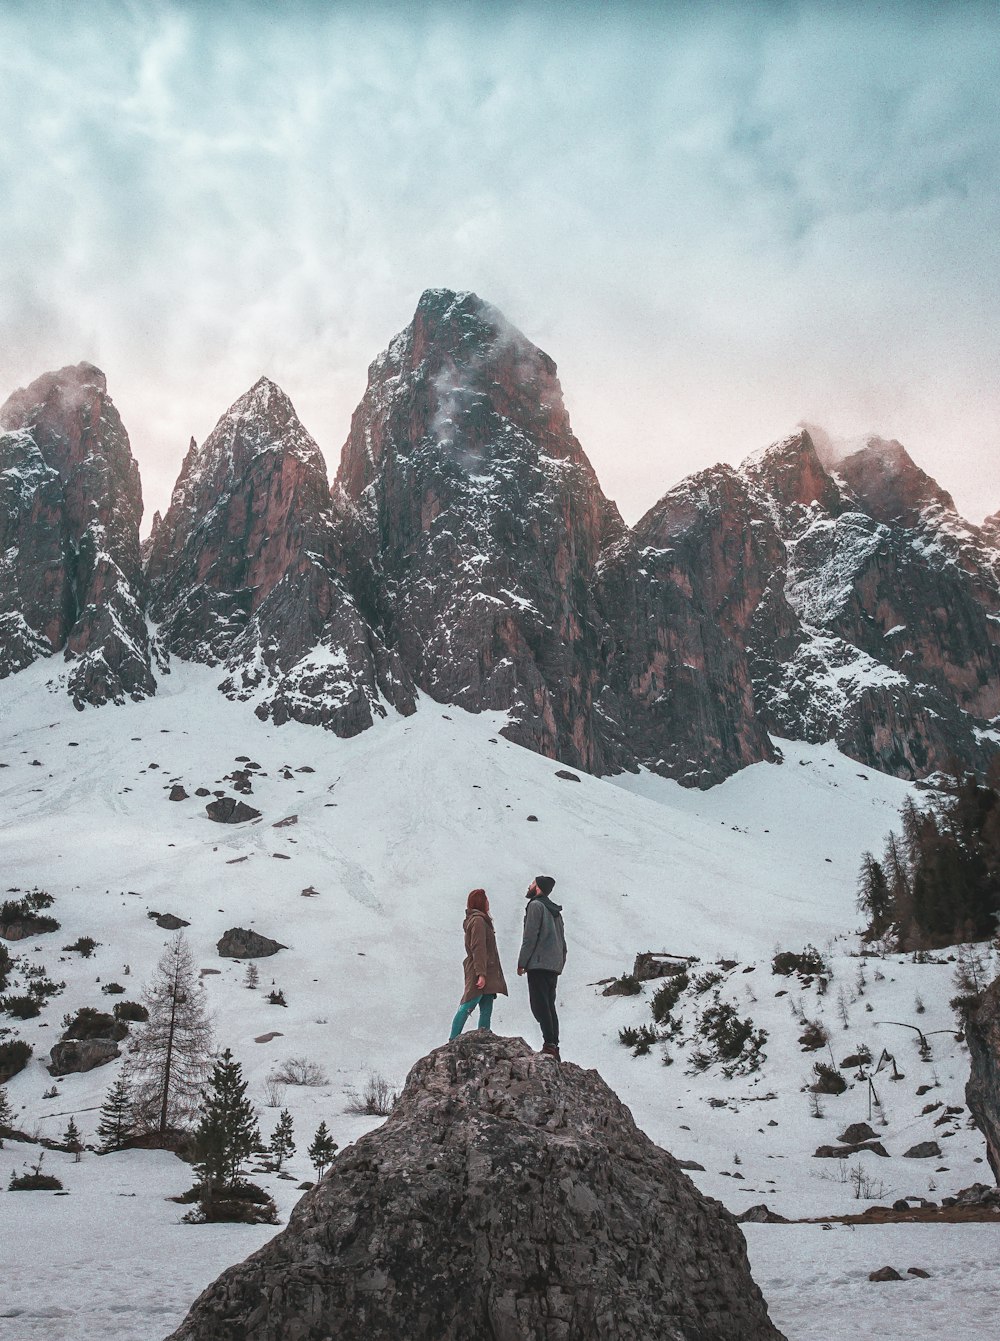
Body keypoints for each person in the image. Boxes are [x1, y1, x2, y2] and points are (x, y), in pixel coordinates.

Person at [517, 875, 567, 1059]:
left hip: (538, 963)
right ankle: (554, 1045)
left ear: (537, 887)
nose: (529, 886)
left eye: (532, 883)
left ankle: (549, 1045)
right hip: (553, 965)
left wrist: (522, 962)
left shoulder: (535, 906)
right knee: (549, 1005)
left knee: (539, 1005)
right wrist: (560, 962)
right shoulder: (555, 911)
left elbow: (530, 937)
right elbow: (563, 941)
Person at [449, 888, 508, 1040]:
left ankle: (484, 1039)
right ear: (482, 902)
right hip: (480, 969)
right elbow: (478, 947)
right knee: (468, 1004)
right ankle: (452, 1040)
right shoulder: (478, 921)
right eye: (486, 900)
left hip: (487, 970)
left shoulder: (481, 920)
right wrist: (481, 973)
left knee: (487, 1006)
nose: (488, 902)